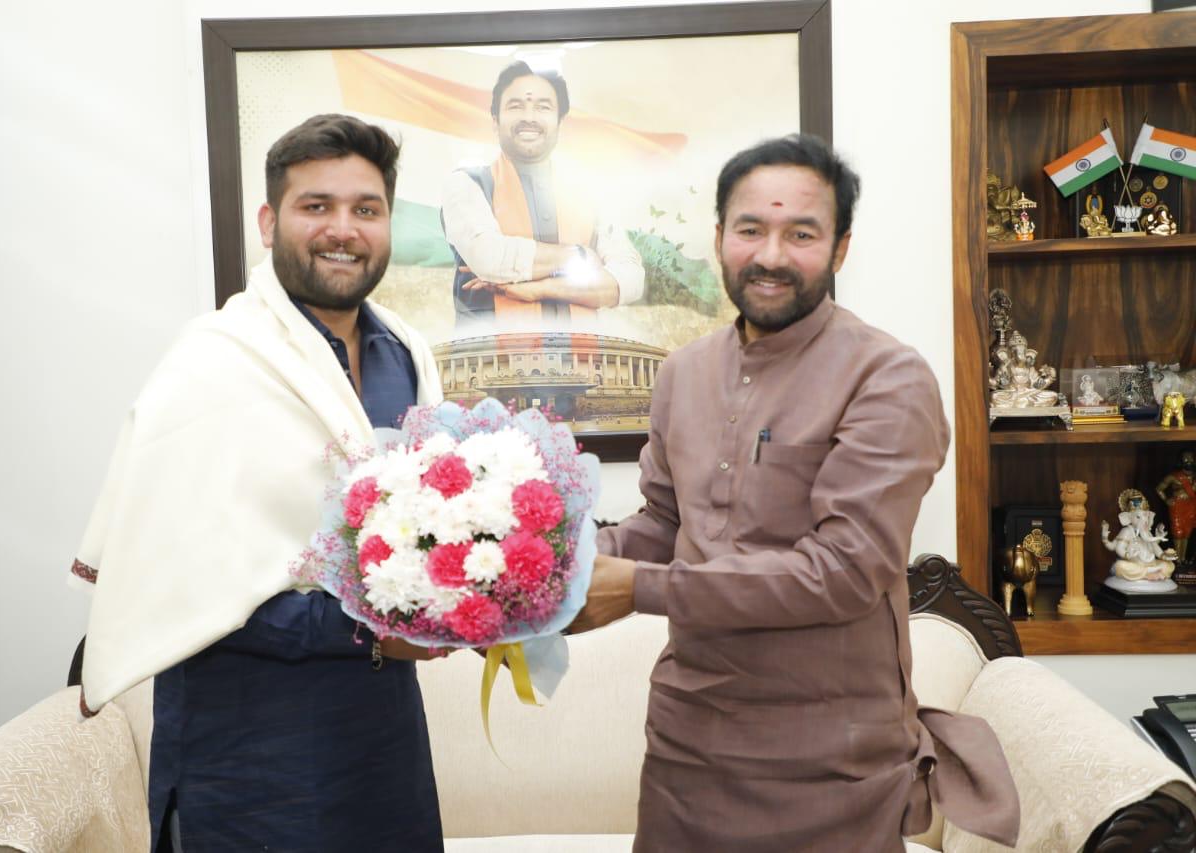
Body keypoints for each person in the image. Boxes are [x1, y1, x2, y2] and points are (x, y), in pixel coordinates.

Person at [569, 134, 1020, 852]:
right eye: (750, 229)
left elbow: (844, 571)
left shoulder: (888, 377)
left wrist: (636, 588)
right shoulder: (684, 371)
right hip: (687, 747)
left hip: (830, 762)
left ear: (841, 249)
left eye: (801, 234)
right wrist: (549, 568)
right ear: (719, 238)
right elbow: (663, 521)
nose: (771, 255)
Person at [70, 114, 447, 852]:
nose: (343, 229)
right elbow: (179, 582)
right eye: (317, 206)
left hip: (383, 741)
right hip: (248, 757)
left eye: (366, 209)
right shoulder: (213, 364)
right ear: (270, 222)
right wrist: (368, 629)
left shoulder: (405, 352)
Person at [441, 60, 644, 328]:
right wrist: (580, 257)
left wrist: (541, 289)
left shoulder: (588, 194)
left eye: (543, 107)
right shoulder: (466, 184)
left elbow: (630, 279)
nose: (529, 117)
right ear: (495, 122)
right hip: (491, 353)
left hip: (581, 355)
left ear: (560, 123)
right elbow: (489, 257)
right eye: (516, 106)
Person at [1157, 450, 1196, 564]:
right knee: (1177, 532)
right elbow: (1159, 489)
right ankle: (1177, 559)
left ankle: (1183, 558)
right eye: (1185, 460)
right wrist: (1166, 500)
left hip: (1190, 506)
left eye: (1191, 459)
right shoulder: (1173, 476)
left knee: (1187, 532)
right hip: (1177, 506)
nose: (1188, 462)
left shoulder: (1194, 477)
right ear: (1181, 461)